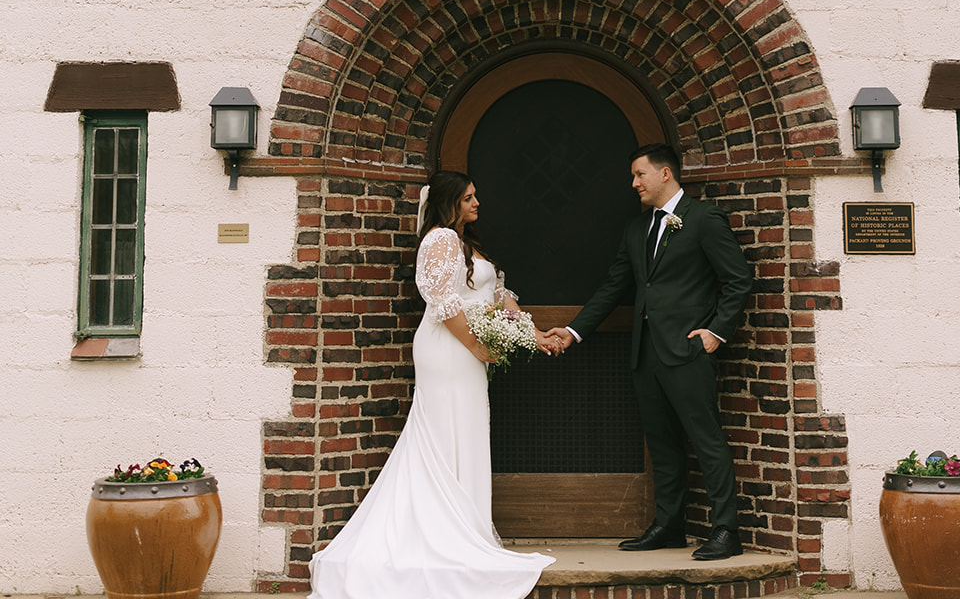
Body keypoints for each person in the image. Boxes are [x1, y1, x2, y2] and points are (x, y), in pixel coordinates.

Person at [310, 170, 557, 599]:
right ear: (448, 203)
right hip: (447, 348)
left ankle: (467, 528)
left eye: (475, 196)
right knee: (446, 434)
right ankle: (443, 532)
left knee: (467, 432)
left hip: (467, 347)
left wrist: (532, 333)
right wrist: (477, 345)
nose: (476, 203)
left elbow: (498, 296)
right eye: (468, 198)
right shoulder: (440, 239)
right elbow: (443, 303)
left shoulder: (467, 244)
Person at [548, 143, 754, 563]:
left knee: (706, 438)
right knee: (661, 443)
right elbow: (614, 286)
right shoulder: (636, 229)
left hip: (687, 351)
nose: (634, 183)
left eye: (639, 175)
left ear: (665, 174)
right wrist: (573, 330)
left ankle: (726, 529)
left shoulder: (703, 219)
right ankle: (670, 525)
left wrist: (715, 332)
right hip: (645, 353)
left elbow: (737, 280)